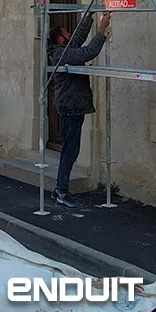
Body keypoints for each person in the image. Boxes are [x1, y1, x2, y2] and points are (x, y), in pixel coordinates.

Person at [48, 11, 112, 208]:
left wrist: (89, 18)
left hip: (72, 105)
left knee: (70, 148)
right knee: (70, 150)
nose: (70, 34)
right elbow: (87, 52)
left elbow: (76, 39)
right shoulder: (60, 54)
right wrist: (101, 30)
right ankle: (62, 192)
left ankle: (60, 188)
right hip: (71, 107)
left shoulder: (62, 49)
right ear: (60, 38)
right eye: (66, 33)